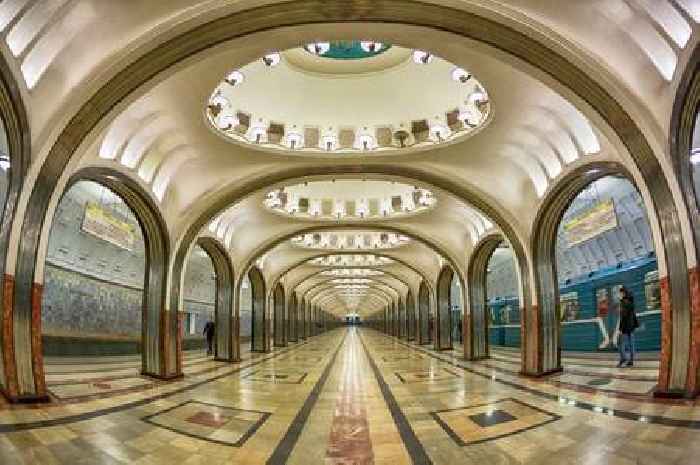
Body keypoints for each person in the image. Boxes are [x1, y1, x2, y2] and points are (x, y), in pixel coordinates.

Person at [617, 287, 639, 367]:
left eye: (620, 293)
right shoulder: (630, 300)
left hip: (625, 327)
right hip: (631, 326)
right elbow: (632, 314)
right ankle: (631, 361)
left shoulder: (624, 302)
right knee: (631, 344)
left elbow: (623, 316)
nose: (619, 295)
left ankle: (623, 358)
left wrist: (620, 329)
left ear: (623, 293)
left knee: (620, 343)